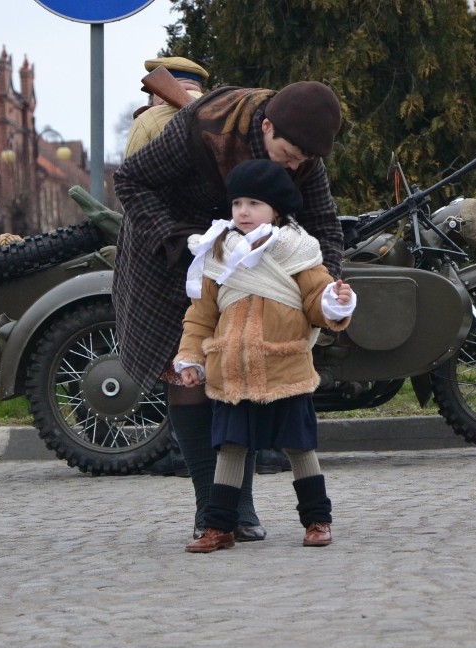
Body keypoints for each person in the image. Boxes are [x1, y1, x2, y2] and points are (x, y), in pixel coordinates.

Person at [113, 80, 344, 543]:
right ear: (266, 126)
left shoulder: (302, 155)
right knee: (188, 372)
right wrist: (174, 239)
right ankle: (210, 508)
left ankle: (241, 506)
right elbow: (130, 180)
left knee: (242, 374)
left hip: (252, 267)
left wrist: (323, 286)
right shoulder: (202, 127)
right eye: (290, 152)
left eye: (305, 159)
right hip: (171, 252)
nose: (296, 164)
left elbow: (322, 225)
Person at [176, 159, 355, 552]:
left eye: (254, 203)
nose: (242, 211)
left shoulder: (299, 250)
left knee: (299, 447)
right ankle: (219, 527)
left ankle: (317, 520)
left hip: (286, 367)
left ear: (276, 209)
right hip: (231, 370)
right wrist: (190, 357)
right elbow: (201, 314)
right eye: (237, 202)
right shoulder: (217, 251)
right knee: (231, 448)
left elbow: (315, 300)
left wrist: (335, 303)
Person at [124, 57, 209, 158]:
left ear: (159, 87)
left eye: (153, 92)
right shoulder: (220, 108)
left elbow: (129, 171)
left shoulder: (147, 119)